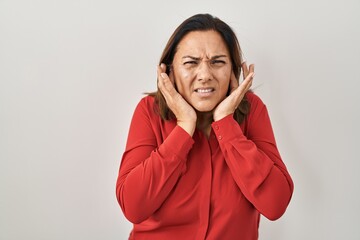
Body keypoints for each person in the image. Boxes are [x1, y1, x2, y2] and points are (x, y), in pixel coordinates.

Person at [116, 13, 294, 240]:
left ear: (232, 70)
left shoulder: (252, 110)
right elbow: (133, 206)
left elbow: (276, 204)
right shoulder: (148, 111)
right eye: (191, 63)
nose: (205, 75)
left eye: (217, 62)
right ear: (169, 71)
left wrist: (226, 124)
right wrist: (183, 128)